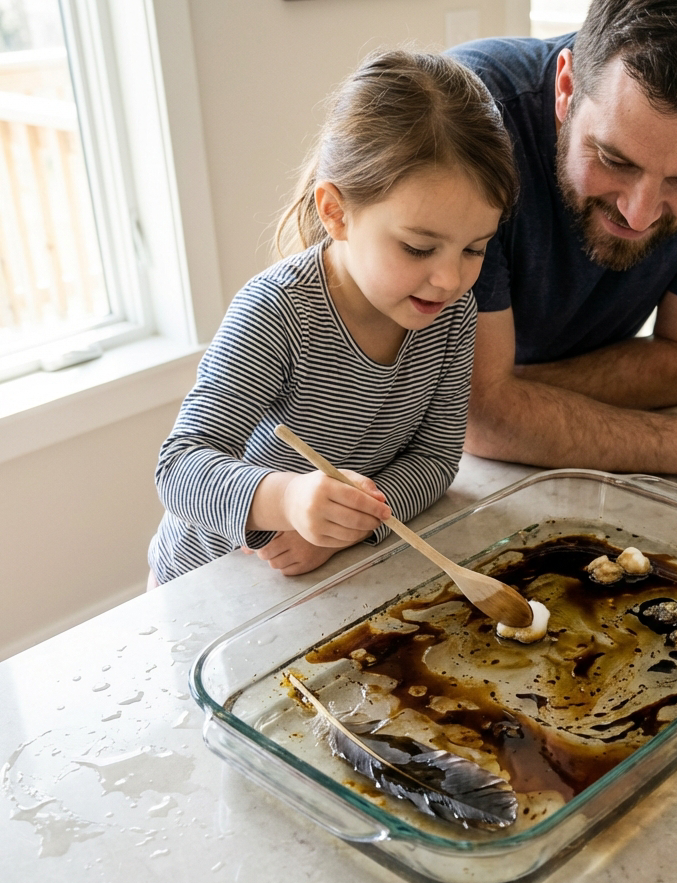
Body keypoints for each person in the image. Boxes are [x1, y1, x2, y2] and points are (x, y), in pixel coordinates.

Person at [147, 51, 517, 585]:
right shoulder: (277, 311)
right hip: (211, 581)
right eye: (418, 248)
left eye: (475, 249)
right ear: (336, 212)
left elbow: (436, 460)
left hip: (323, 578)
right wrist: (289, 501)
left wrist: (351, 528)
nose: (449, 279)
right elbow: (180, 467)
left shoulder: (454, 314)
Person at [451, 0, 677, 489]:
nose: (639, 213)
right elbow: (475, 417)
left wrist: (504, 397)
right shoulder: (465, 120)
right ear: (566, 89)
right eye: (614, 159)